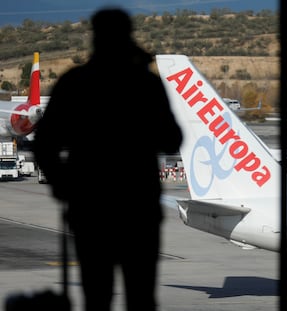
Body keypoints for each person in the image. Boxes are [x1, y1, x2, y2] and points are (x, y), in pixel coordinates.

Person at [33, 7, 182, 311]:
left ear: (95, 37)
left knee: (96, 296)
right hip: (137, 210)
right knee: (141, 297)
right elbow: (172, 140)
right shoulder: (145, 84)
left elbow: (44, 145)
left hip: (91, 209)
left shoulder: (75, 83)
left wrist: (64, 186)